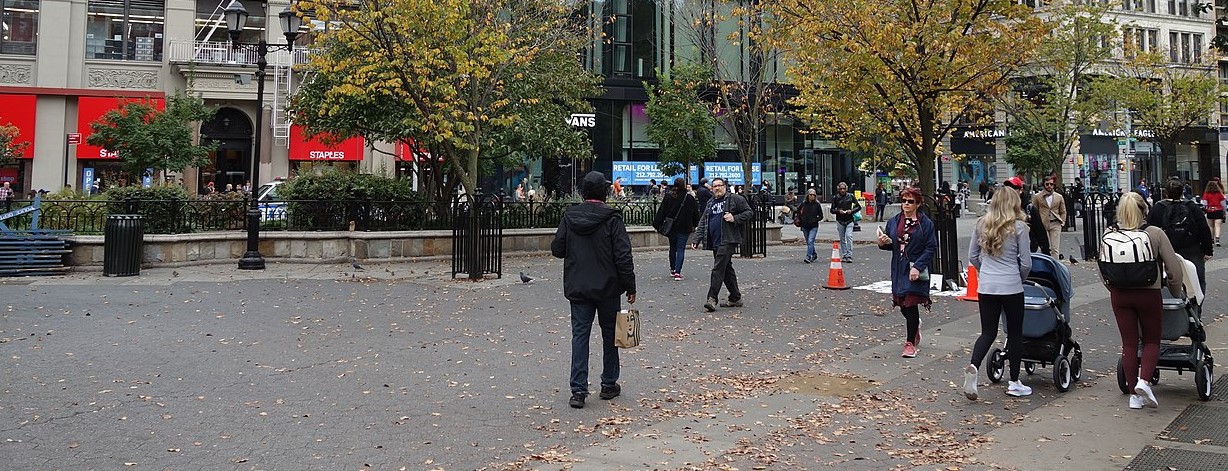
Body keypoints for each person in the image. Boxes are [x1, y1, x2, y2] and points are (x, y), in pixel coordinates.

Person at [551, 171, 637, 409]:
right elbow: (623, 256)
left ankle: (578, 390)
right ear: (605, 193)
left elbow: (557, 249)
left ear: (583, 192)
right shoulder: (612, 219)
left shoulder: (570, 216)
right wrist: (630, 285)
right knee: (611, 335)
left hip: (579, 287)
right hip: (608, 287)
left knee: (580, 336)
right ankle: (609, 383)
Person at [1103, 192, 1184, 410]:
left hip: (1119, 294)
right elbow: (1174, 268)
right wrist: (1176, 291)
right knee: (1151, 340)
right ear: (1144, 210)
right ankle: (1144, 381)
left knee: (1129, 343)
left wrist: (1112, 288)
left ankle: (1133, 396)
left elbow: (1103, 269)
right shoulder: (1155, 234)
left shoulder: (1110, 233)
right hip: (1148, 292)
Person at [963, 188, 1032, 400]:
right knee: (1014, 332)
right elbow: (1026, 262)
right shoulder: (1019, 227)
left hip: (987, 286)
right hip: (1011, 285)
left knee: (988, 332)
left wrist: (985, 270)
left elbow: (972, 255)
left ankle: (974, 366)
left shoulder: (981, 224)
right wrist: (1019, 278)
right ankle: (1014, 381)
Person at [875, 187, 937, 358]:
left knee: (911, 302)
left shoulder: (925, 224)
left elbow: (931, 247)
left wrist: (918, 266)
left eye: (910, 201)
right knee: (902, 302)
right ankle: (915, 325)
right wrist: (882, 243)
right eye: (904, 201)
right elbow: (891, 245)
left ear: (918, 204)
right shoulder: (894, 221)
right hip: (899, 267)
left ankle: (910, 343)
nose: (906, 205)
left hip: (915, 266)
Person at [691, 177, 754, 312]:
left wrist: (734, 218)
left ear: (725, 187)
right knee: (726, 269)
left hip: (728, 239)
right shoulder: (711, 202)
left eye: (720, 185)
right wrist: (696, 239)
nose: (717, 188)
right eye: (715, 186)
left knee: (718, 268)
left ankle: (712, 298)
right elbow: (703, 221)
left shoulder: (735, 199)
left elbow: (749, 212)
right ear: (712, 189)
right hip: (714, 241)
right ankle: (735, 297)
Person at [1148, 178, 1212, 292]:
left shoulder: (1158, 208)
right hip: (1192, 249)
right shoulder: (1192, 207)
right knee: (1197, 281)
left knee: (1165, 280)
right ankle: (1196, 305)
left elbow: (1150, 231)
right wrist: (1207, 250)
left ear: (1166, 192)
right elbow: (1203, 228)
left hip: (1166, 251)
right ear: (1182, 192)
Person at [653, 177, 699, 281]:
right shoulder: (689, 198)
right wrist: (695, 224)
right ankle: (678, 272)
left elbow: (662, 212)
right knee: (680, 249)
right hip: (684, 227)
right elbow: (695, 214)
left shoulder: (669, 196)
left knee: (672, 248)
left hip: (672, 228)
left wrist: (657, 224)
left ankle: (673, 269)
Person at [1031, 177, 1067, 259]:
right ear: (1044, 184)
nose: (1049, 186)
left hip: (1055, 223)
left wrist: (1062, 222)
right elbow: (1034, 211)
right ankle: (1045, 264)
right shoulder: (1037, 197)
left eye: (1051, 184)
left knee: (1055, 248)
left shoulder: (1059, 197)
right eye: (1047, 184)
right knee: (1044, 247)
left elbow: (1063, 211)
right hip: (1042, 224)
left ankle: (1055, 266)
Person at [830, 182, 862, 263]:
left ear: (846, 189)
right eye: (841, 189)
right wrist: (838, 211)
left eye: (844, 189)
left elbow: (858, 206)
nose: (842, 190)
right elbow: (832, 210)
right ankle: (845, 254)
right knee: (842, 238)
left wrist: (851, 211)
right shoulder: (836, 197)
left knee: (849, 236)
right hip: (840, 220)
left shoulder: (850, 196)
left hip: (849, 219)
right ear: (838, 190)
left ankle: (849, 254)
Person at [796, 188, 823, 263]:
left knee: (811, 240)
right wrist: (799, 219)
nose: (812, 196)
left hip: (813, 226)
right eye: (810, 195)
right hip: (804, 225)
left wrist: (815, 220)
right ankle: (813, 253)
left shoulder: (817, 204)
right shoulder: (804, 203)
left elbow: (821, 216)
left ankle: (808, 256)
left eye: (813, 195)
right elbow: (798, 212)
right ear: (807, 195)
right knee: (808, 242)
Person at [1202, 179, 1224, 247]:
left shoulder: (1206, 194)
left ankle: (1211, 239)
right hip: (1218, 210)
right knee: (1218, 226)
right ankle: (1217, 238)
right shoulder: (1219, 194)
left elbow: (1204, 203)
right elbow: (1223, 203)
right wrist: (1224, 211)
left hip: (1210, 210)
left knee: (1211, 226)